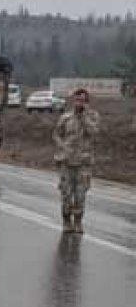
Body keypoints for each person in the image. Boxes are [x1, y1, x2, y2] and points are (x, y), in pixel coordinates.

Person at [53, 88, 100, 234]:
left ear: (87, 102)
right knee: (66, 194)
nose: (79, 103)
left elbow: (93, 133)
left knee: (80, 195)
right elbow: (56, 134)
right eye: (77, 100)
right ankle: (66, 221)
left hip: (83, 163)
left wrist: (84, 116)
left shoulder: (93, 116)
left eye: (83, 100)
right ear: (73, 101)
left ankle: (78, 222)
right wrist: (62, 147)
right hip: (66, 162)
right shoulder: (65, 118)